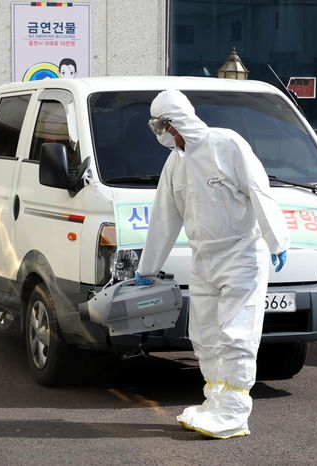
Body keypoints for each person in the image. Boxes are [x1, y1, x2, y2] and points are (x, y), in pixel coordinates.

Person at [134, 90, 290, 439]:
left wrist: (276, 239)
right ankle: (215, 401)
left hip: (240, 256)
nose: (159, 132)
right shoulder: (175, 163)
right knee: (204, 335)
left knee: (236, 334)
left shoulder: (226, 145)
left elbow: (258, 190)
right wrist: (147, 268)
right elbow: (164, 218)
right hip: (203, 257)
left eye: (161, 124)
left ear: (176, 121)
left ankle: (234, 413)